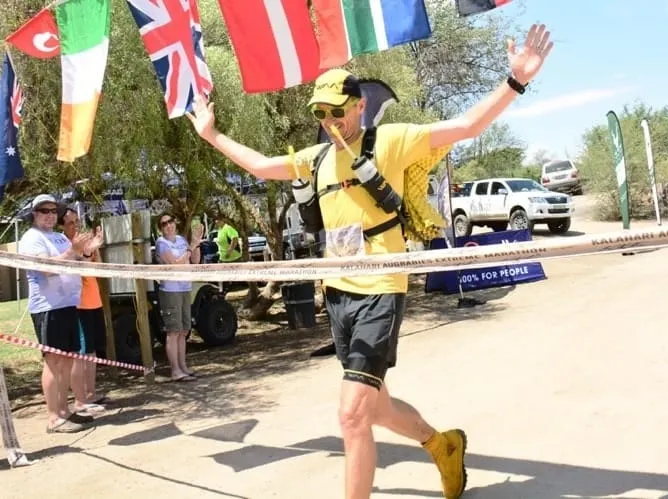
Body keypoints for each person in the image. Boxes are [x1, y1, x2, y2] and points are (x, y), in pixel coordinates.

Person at [187, 25, 554, 499]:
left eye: (338, 111)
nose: (330, 121)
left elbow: (466, 127)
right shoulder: (314, 159)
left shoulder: (391, 142)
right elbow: (260, 165)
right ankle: (442, 445)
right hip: (337, 292)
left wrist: (515, 81)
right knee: (374, 407)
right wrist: (211, 133)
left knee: (350, 413)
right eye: (321, 113)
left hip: (381, 287)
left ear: (359, 106)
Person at [18, 194, 104, 433]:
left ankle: (65, 411)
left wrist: (88, 251)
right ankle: (54, 417)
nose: (49, 215)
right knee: (54, 362)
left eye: (53, 211)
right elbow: (47, 269)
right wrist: (74, 251)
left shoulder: (58, 237)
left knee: (67, 360)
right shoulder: (31, 238)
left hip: (68, 305)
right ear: (34, 214)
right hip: (48, 307)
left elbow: (77, 260)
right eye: (44, 211)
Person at [59, 208, 109, 410]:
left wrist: (95, 248)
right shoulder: (65, 246)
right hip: (78, 304)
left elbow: (99, 268)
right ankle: (80, 400)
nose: (76, 226)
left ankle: (91, 393)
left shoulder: (86, 243)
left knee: (92, 351)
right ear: (62, 226)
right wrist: (87, 251)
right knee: (80, 353)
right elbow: (78, 266)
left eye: (77, 221)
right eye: (70, 223)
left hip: (94, 301)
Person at [154, 213, 202, 381]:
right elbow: (175, 264)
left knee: (184, 330)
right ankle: (175, 370)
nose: (168, 225)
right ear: (160, 228)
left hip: (185, 287)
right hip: (170, 290)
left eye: (171, 221)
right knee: (173, 331)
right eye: (164, 224)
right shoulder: (161, 243)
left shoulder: (182, 240)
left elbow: (195, 261)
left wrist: (196, 244)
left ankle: (183, 367)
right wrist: (190, 248)